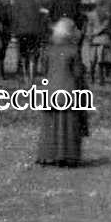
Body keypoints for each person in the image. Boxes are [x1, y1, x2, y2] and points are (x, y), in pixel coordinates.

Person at [36, 18, 89, 167]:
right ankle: (67, 156)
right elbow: (78, 73)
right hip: (69, 89)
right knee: (69, 125)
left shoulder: (48, 50)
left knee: (50, 125)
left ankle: (48, 155)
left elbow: (44, 70)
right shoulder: (73, 50)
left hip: (50, 90)